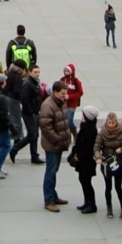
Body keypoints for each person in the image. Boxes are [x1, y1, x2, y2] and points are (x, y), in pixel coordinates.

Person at [39, 80, 72, 213]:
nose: (65, 96)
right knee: (51, 171)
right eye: (63, 93)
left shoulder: (60, 102)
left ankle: (53, 195)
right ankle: (48, 200)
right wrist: (58, 139)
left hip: (59, 143)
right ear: (55, 92)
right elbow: (46, 127)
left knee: (54, 170)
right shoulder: (48, 105)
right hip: (53, 144)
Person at [95, 113, 122, 219]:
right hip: (107, 162)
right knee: (108, 187)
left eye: (113, 122)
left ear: (116, 122)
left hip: (118, 162)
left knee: (118, 187)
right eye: (109, 122)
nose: (111, 125)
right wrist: (98, 157)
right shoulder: (102, 133)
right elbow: (97, 146)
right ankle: (109, 209)